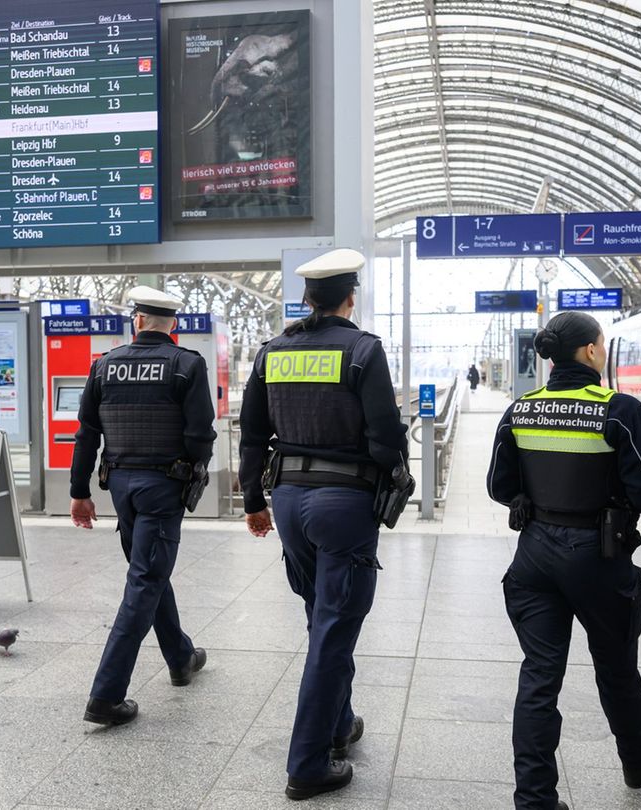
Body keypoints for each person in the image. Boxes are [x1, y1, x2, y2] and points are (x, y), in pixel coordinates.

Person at [239, 248, 410, 801]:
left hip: (289, 500)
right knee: (335, 630)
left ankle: (340, 723)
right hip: (344, 504)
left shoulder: (272, 352)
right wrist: (395, 475)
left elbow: (251, 434)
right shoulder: (363, 351)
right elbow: (385, 435)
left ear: (308, 297)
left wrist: (253, 502)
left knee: (322, 617)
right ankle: (309, 762)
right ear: (350, 297)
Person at [487, 311, 641, 810]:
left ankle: (534, 798)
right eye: (603, 344)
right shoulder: (619, 411)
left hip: (533, 560)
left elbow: (498, 487)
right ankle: (637, 756)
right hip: (599, 556)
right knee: (615, 667)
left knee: (539, 675)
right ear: (591, 351)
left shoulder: (521, 410)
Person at [69, 286, 216, 727]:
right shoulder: (186, 365)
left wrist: (79, 493)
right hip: (163, 485)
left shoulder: (104, 365)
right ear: (172, 324)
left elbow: (86, 434)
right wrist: (195, 471)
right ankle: (106, 695)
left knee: (147, 571)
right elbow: (200, 434)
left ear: (137, 320)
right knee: (145, 580)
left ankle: (181, 657)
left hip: (120, 486)